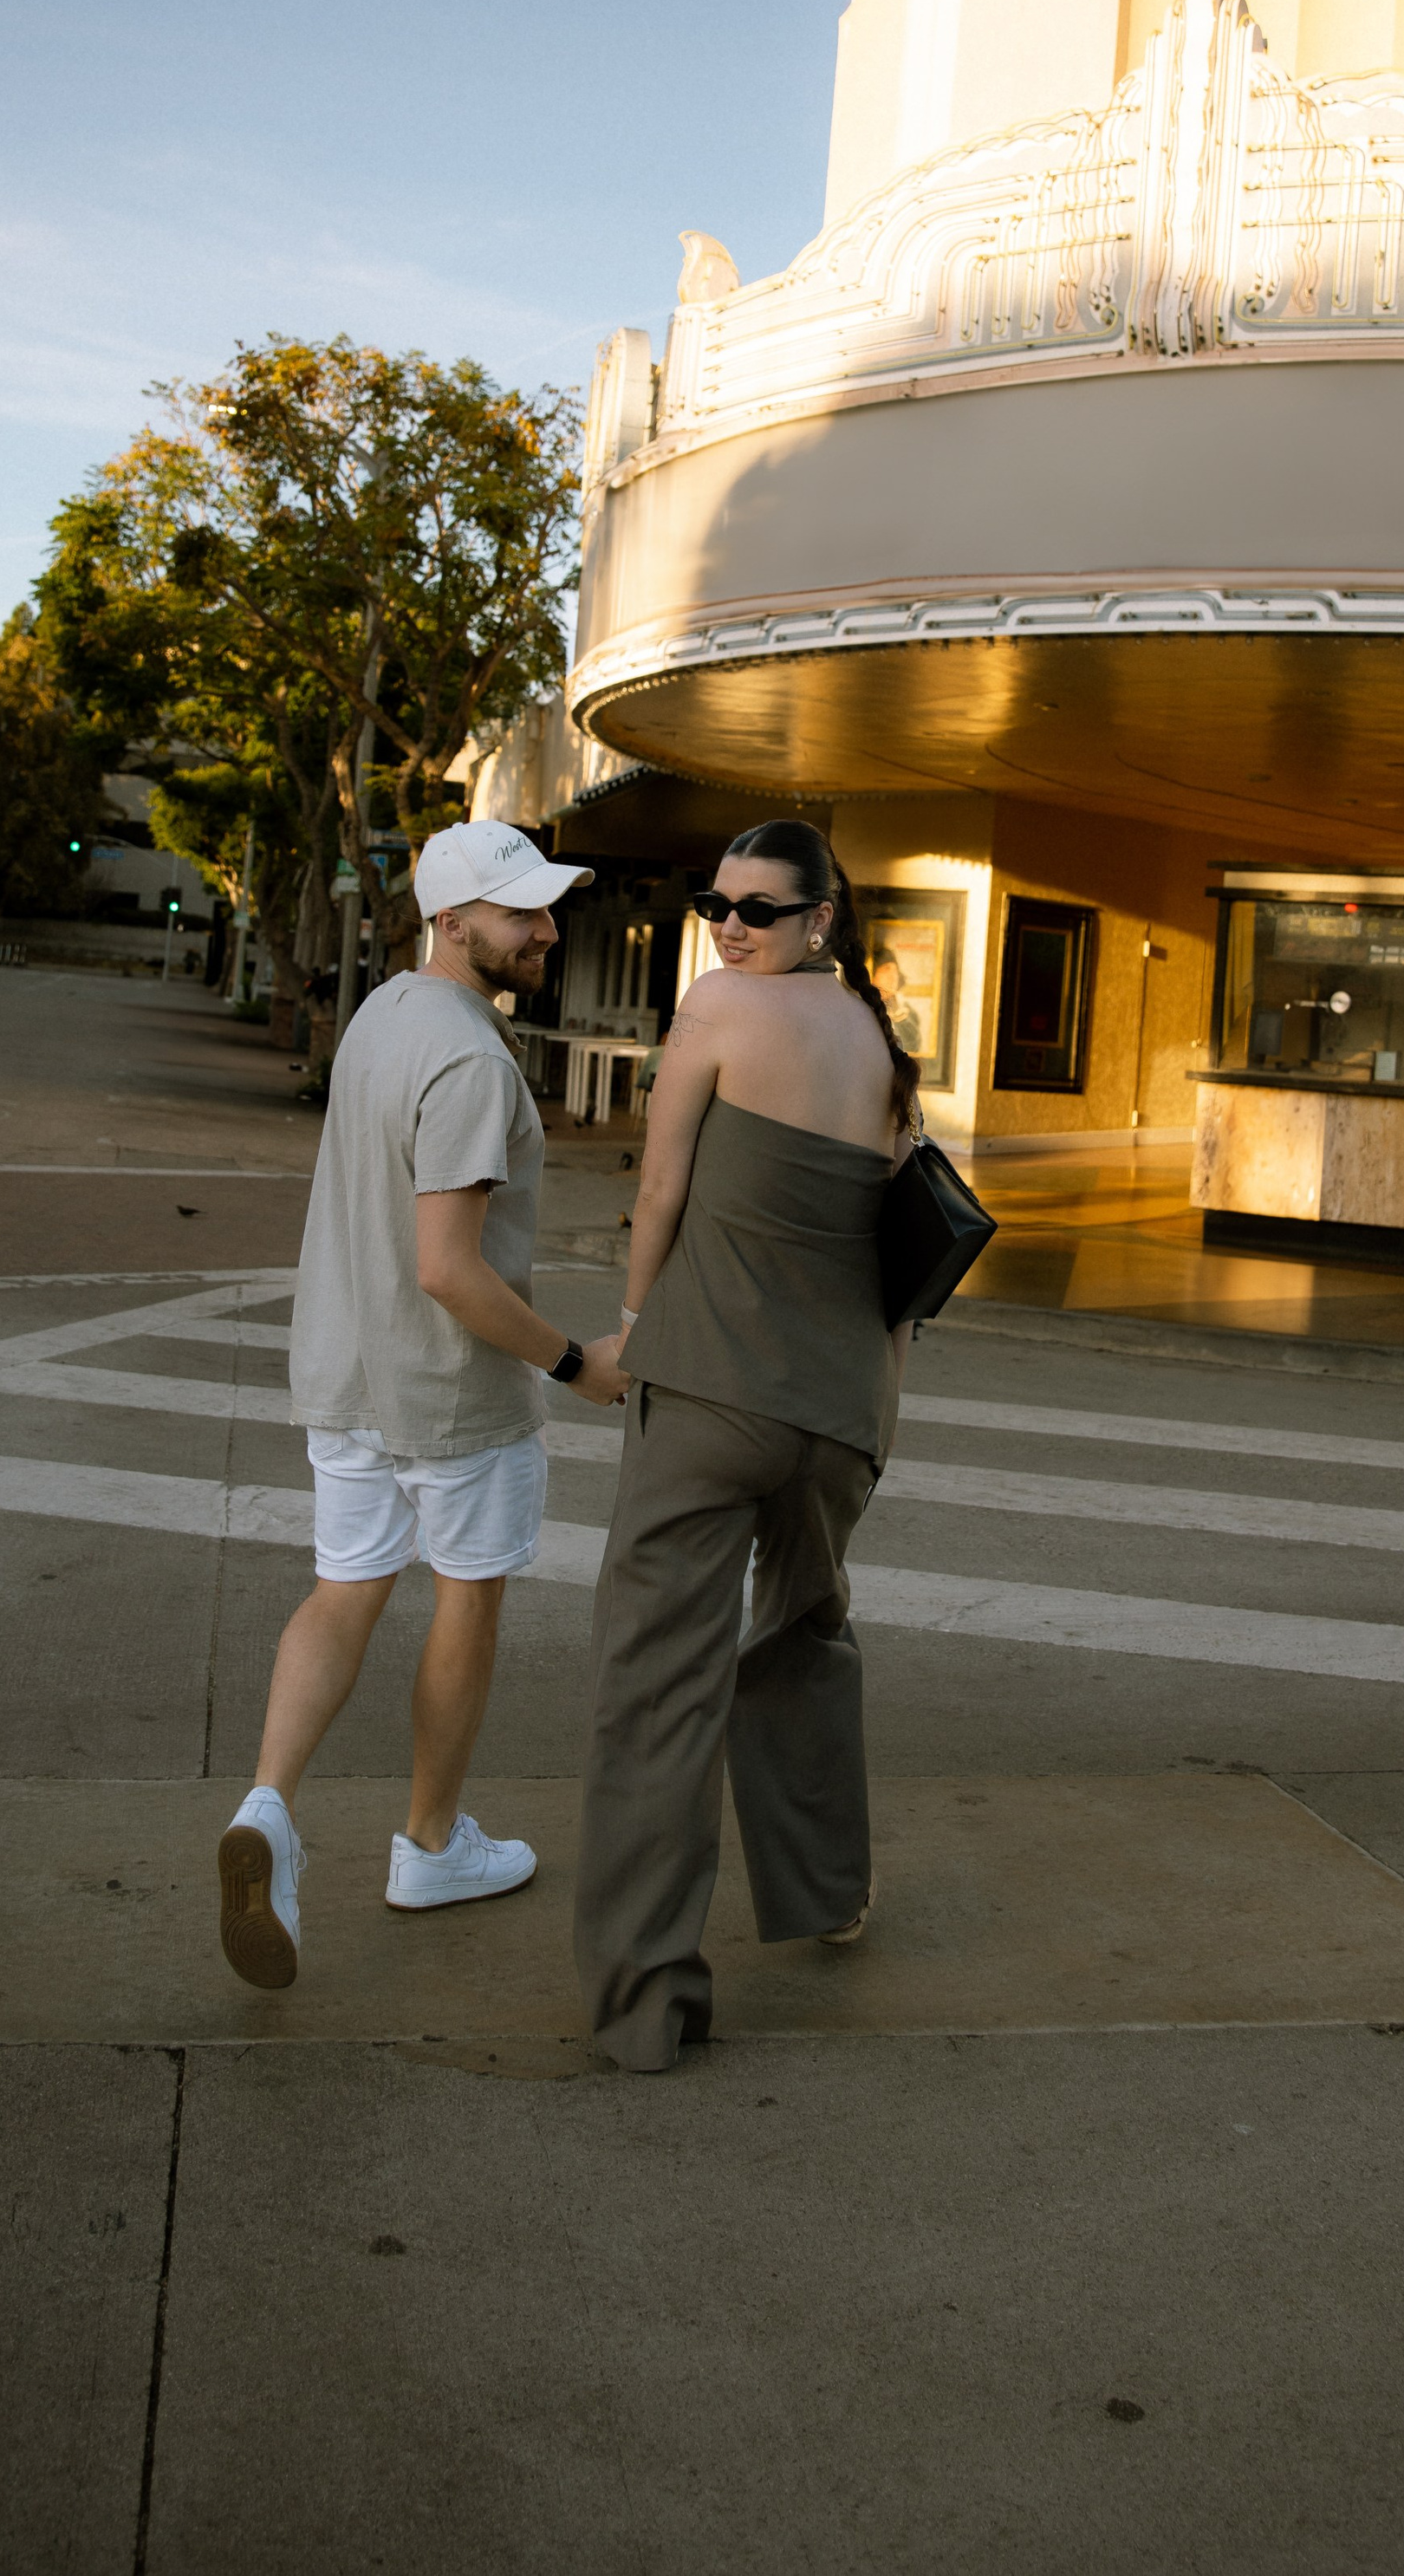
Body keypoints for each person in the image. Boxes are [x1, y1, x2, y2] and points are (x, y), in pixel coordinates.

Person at [218, 818, 627, 1991]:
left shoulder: (384, 1014)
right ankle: (433, 1844)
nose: (547, 929)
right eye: (522, 912)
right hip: (448, 1394)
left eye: (550, 907)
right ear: (454, 920)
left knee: (344, 1588)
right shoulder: (473, 1061)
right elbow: (449, 1266)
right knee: (467, 1596)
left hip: (345, 1373)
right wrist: (573, 1365)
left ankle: (269, 1804)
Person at [573, 817, 918, 2072]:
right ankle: (829, 1895)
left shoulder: (717, 1008)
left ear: (819, 918)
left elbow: (658, 1191)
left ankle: (647, 2007)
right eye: (714, 901)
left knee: (656, 1689)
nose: (728, 924)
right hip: (836, 1417)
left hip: (712, 1393)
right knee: (806, 1642)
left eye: (757, 908)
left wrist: (627, 1332)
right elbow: (903, 1260)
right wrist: (877, 1418)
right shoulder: (879, 1044)